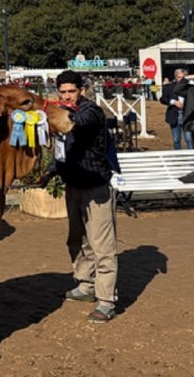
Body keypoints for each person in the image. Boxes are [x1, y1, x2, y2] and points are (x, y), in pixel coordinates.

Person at [52, 70, 119, 323]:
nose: (68, 95)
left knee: (103, 245)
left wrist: (58, 113)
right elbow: (62, 150)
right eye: (63, 91)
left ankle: (106, 300)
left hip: (96, 187)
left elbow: (81, 120)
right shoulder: (61, 113)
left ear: (81, 90)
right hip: (73, 186)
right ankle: (85, 285)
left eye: (72, 91)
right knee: (77, 240)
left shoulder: (91, 110)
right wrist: (51, 171)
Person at [160, 68, 192, 149]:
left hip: (187, 116)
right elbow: (163, 99)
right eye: (179, 77)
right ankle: (178, 157)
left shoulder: (190, 88)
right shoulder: (169, 87)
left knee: (189, 139)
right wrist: (173, 102)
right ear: (175, 77)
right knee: (176, 139)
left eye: (183, 77)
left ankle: (192, 159)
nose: (181, 79)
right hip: (174, 115)